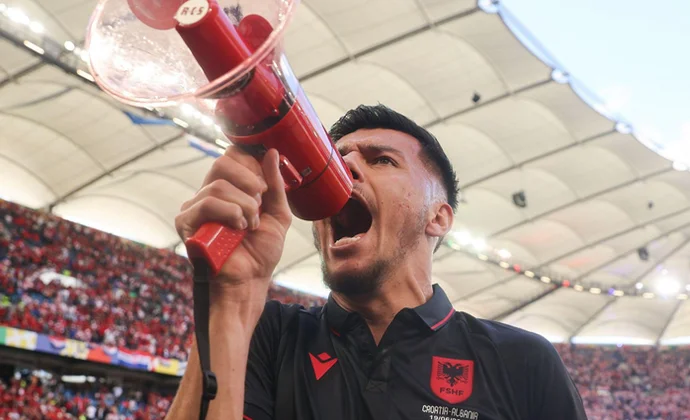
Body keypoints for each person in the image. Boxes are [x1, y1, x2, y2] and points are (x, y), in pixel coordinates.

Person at [166, 105, 587, 420]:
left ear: (438, 217)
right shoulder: (269, 334)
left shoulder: (522, 360)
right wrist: (231, 300)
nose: (345, 167)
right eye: (336, 159)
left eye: (382, 159)